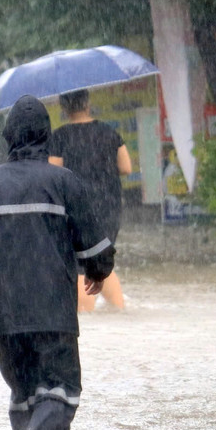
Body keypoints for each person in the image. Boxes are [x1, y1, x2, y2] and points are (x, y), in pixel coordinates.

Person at [0, 95, 114, 430]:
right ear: (46, 136)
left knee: (24, 393)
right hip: (52, 312)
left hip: (4, 319)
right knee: (60, 390)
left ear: (8, 138)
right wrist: (98, 270)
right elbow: (96, 245)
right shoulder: (65, 183)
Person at [48, 89, 132, 310]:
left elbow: (52, 173)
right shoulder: (109, 132)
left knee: (78, 263)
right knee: (102, 256)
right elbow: (126, 167)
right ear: (88, 103)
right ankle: (119, 311)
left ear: (64, 108)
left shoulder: (60, 136)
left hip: (76, 206)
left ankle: (86, 320)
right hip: (109, 205)